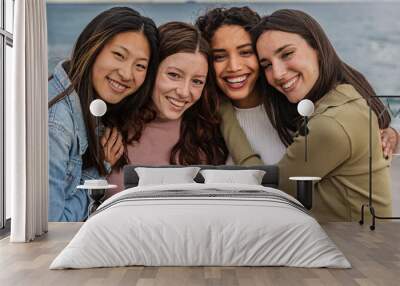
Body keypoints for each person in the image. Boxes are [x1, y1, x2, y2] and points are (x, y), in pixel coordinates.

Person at [195, 7, 398, 167]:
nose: (235, 67)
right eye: (219, 57)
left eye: (246, 52)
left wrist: (394, 131)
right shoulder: (206, 117)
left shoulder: (296, 102)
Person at [249, 9, 392, 221]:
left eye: (287, 54)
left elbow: (270, 194)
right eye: (267, 65)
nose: (277, 73)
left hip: (350, 250)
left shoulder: (330, 125)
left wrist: (227, 119)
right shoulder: (346, 94)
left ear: (317, 48)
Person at [48, 7, 159, 221]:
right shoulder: (57, 124)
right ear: (93, 47)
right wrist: (96, 175)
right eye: (119, 55)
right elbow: (55, 224)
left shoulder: (84, 103)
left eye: (140, 66)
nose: (127, 74)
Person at [106, 22, 228, 196]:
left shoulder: (209, 138)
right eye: (174, 75)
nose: (184, 92)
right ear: (150, 70)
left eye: (197, 81)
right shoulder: (108, 129)